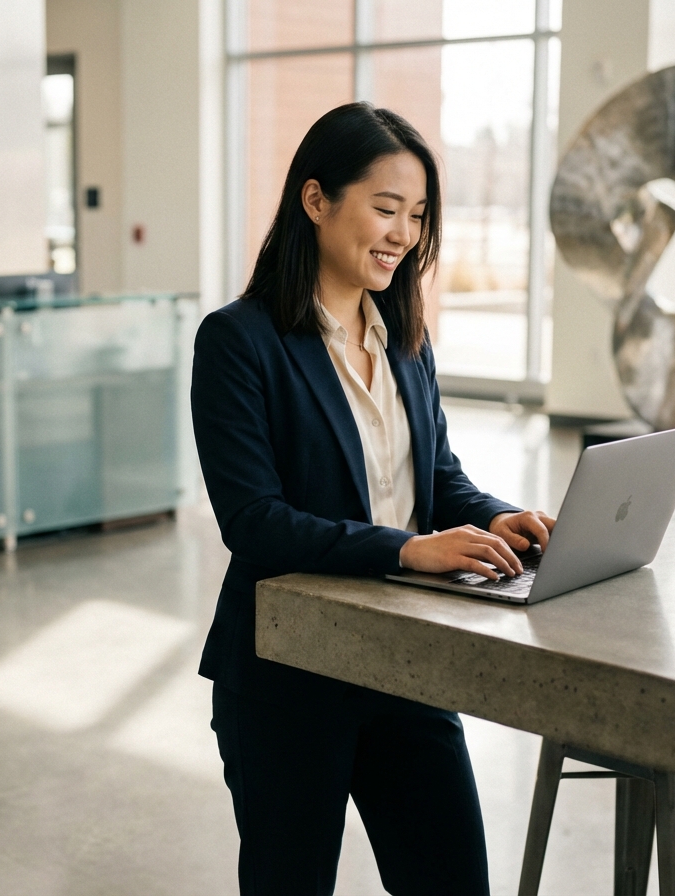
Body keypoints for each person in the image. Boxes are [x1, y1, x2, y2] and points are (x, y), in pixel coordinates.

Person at [190, 102, 556, 896]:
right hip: (286, 674)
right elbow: (252, 521)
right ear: (315, 201)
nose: (403, 233)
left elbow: (436, 479)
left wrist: (498, 516)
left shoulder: (405, 337)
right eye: (385, 208)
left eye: (417, 215)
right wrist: (403, 549)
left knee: (453, 879)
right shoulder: (239, 341)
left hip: (403, 661)